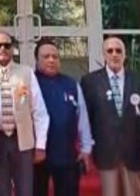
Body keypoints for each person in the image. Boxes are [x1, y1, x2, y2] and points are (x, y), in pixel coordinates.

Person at [0, 32, 49, 196]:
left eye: (7, 45)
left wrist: (40, 145)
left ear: (13, 49)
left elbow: (39, 111)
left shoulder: (26, 73)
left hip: (22, 140)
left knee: (25, 189)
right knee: (1, 189)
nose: (2, 48)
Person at [80, 36, 140, 196]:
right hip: (106, 153)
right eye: (110, 51)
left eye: (119, 51)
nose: (114, 54)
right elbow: (85, 119)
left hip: (134, 153)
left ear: (125, 55)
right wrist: (86, 148)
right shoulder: (90, 82)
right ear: (104, 55)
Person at [32, 39, 93, 196]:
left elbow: (82, 118)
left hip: (66, 155)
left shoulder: (71, 84)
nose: (51, 60)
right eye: (46, 56)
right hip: (37, 157)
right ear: (37, 60)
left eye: (55, 56)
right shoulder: (29, 83)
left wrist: (86, 149)